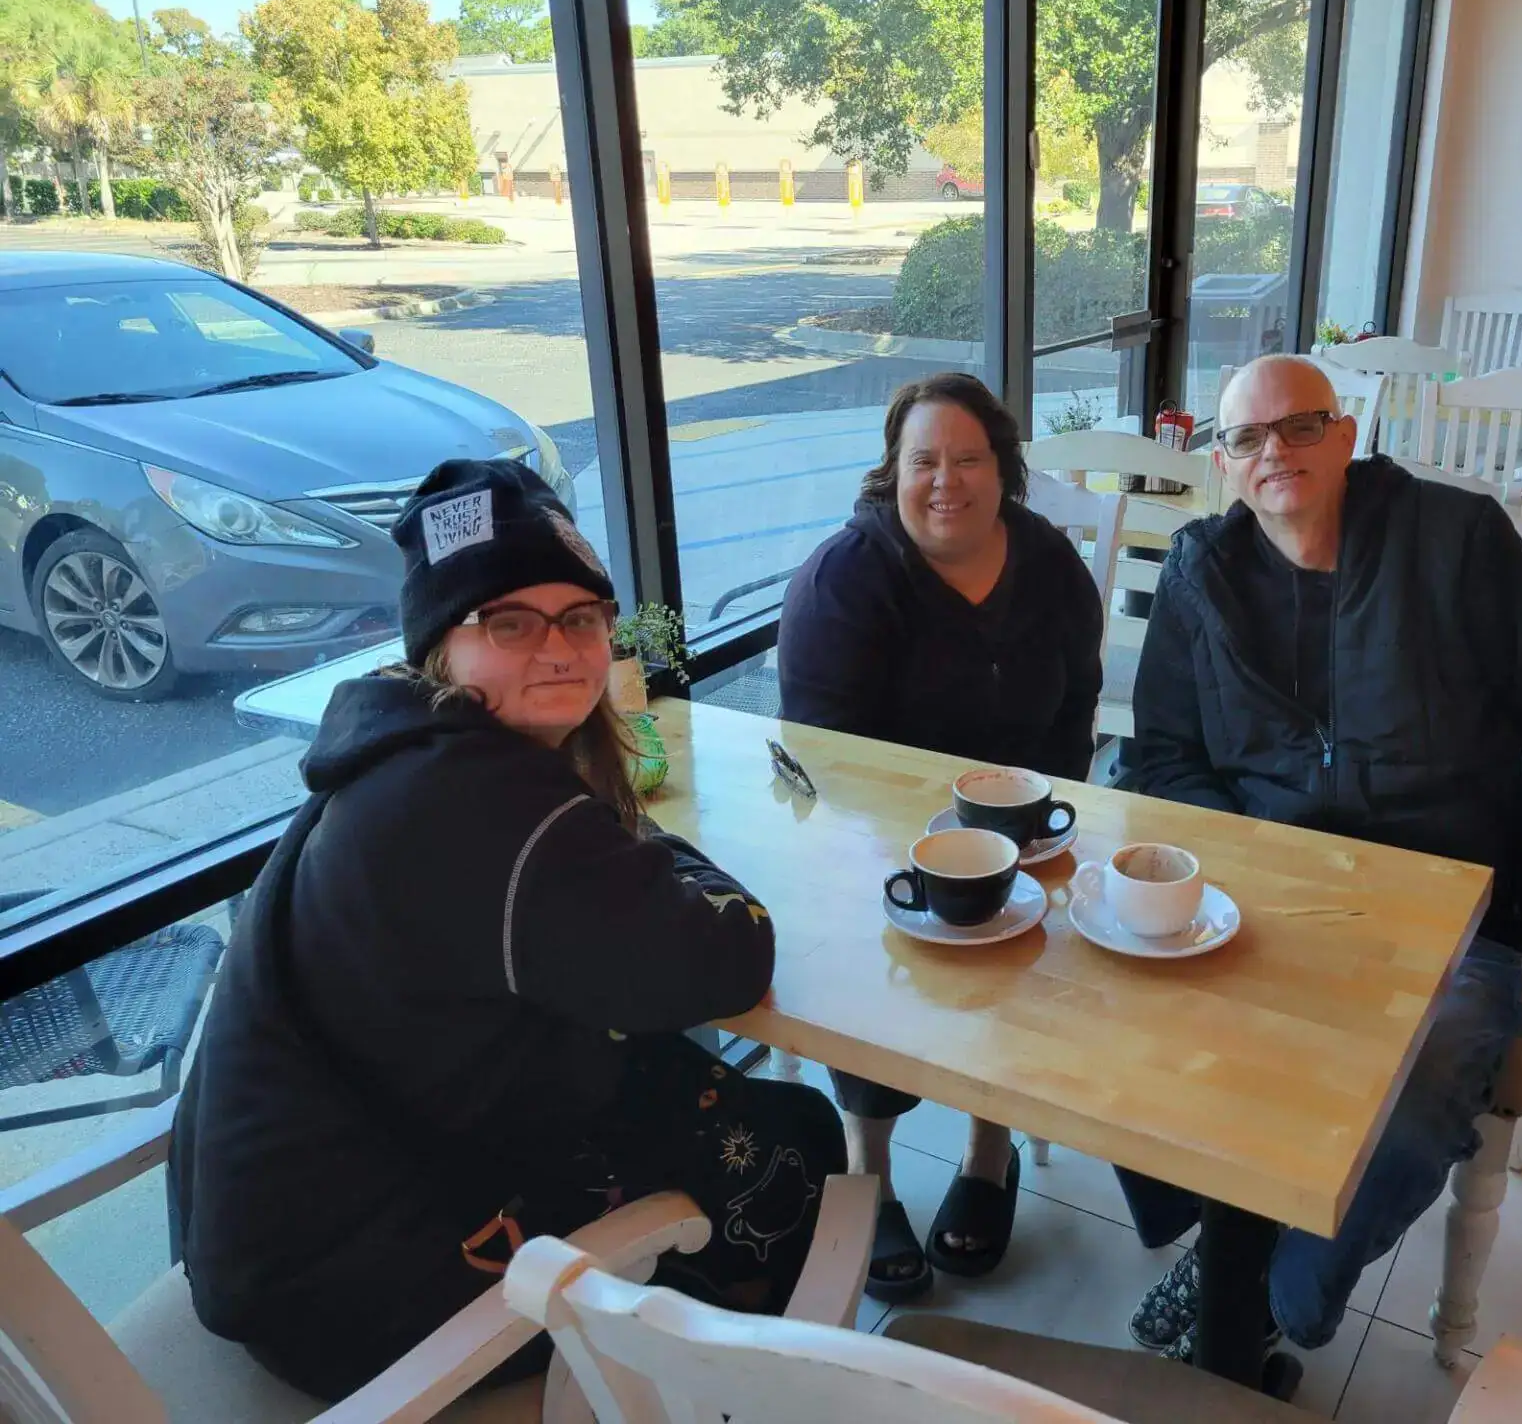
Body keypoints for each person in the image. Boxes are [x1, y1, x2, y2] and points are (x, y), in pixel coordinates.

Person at [170, 457, 846, 1401]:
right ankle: (742, 1387)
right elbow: (733, 953)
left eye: (580, 617)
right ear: (443, 644)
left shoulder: (392, 755)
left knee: (677, 1079)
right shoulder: (488, 808)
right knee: (798, 1135)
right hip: (367, 1298)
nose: (560, 648)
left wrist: (629, 847)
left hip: (267, 1242)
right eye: (510, 621)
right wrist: (653, 848)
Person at [1117, 356, 1522, 1385]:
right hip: (1261, 897)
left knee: (1431, 1069)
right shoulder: (1198, 571)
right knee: (1122, 1012)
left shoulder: (1455, 543)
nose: (1276, 454)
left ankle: (1270, 1295)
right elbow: (1162, 756)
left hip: (1448, 919)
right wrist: (1250, 870)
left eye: (1300, 428)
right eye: (1249, 439)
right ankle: (1227, 1251)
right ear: (1223, 463)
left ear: (1346, 436)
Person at [778, 372, 1105, 1301]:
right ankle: (868, 1168)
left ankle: (988, 1150)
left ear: (1003, 468)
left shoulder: (1045, 561)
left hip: (1021, 831)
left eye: (969, 459)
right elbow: (825, 752)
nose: (945, 481)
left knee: (1032, 940)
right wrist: (916, 848)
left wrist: (1039, 826)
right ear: (894, 470)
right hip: (878, 834)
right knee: (868, 945)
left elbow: (1076, 699)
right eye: (924, 460)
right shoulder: (849, 575)